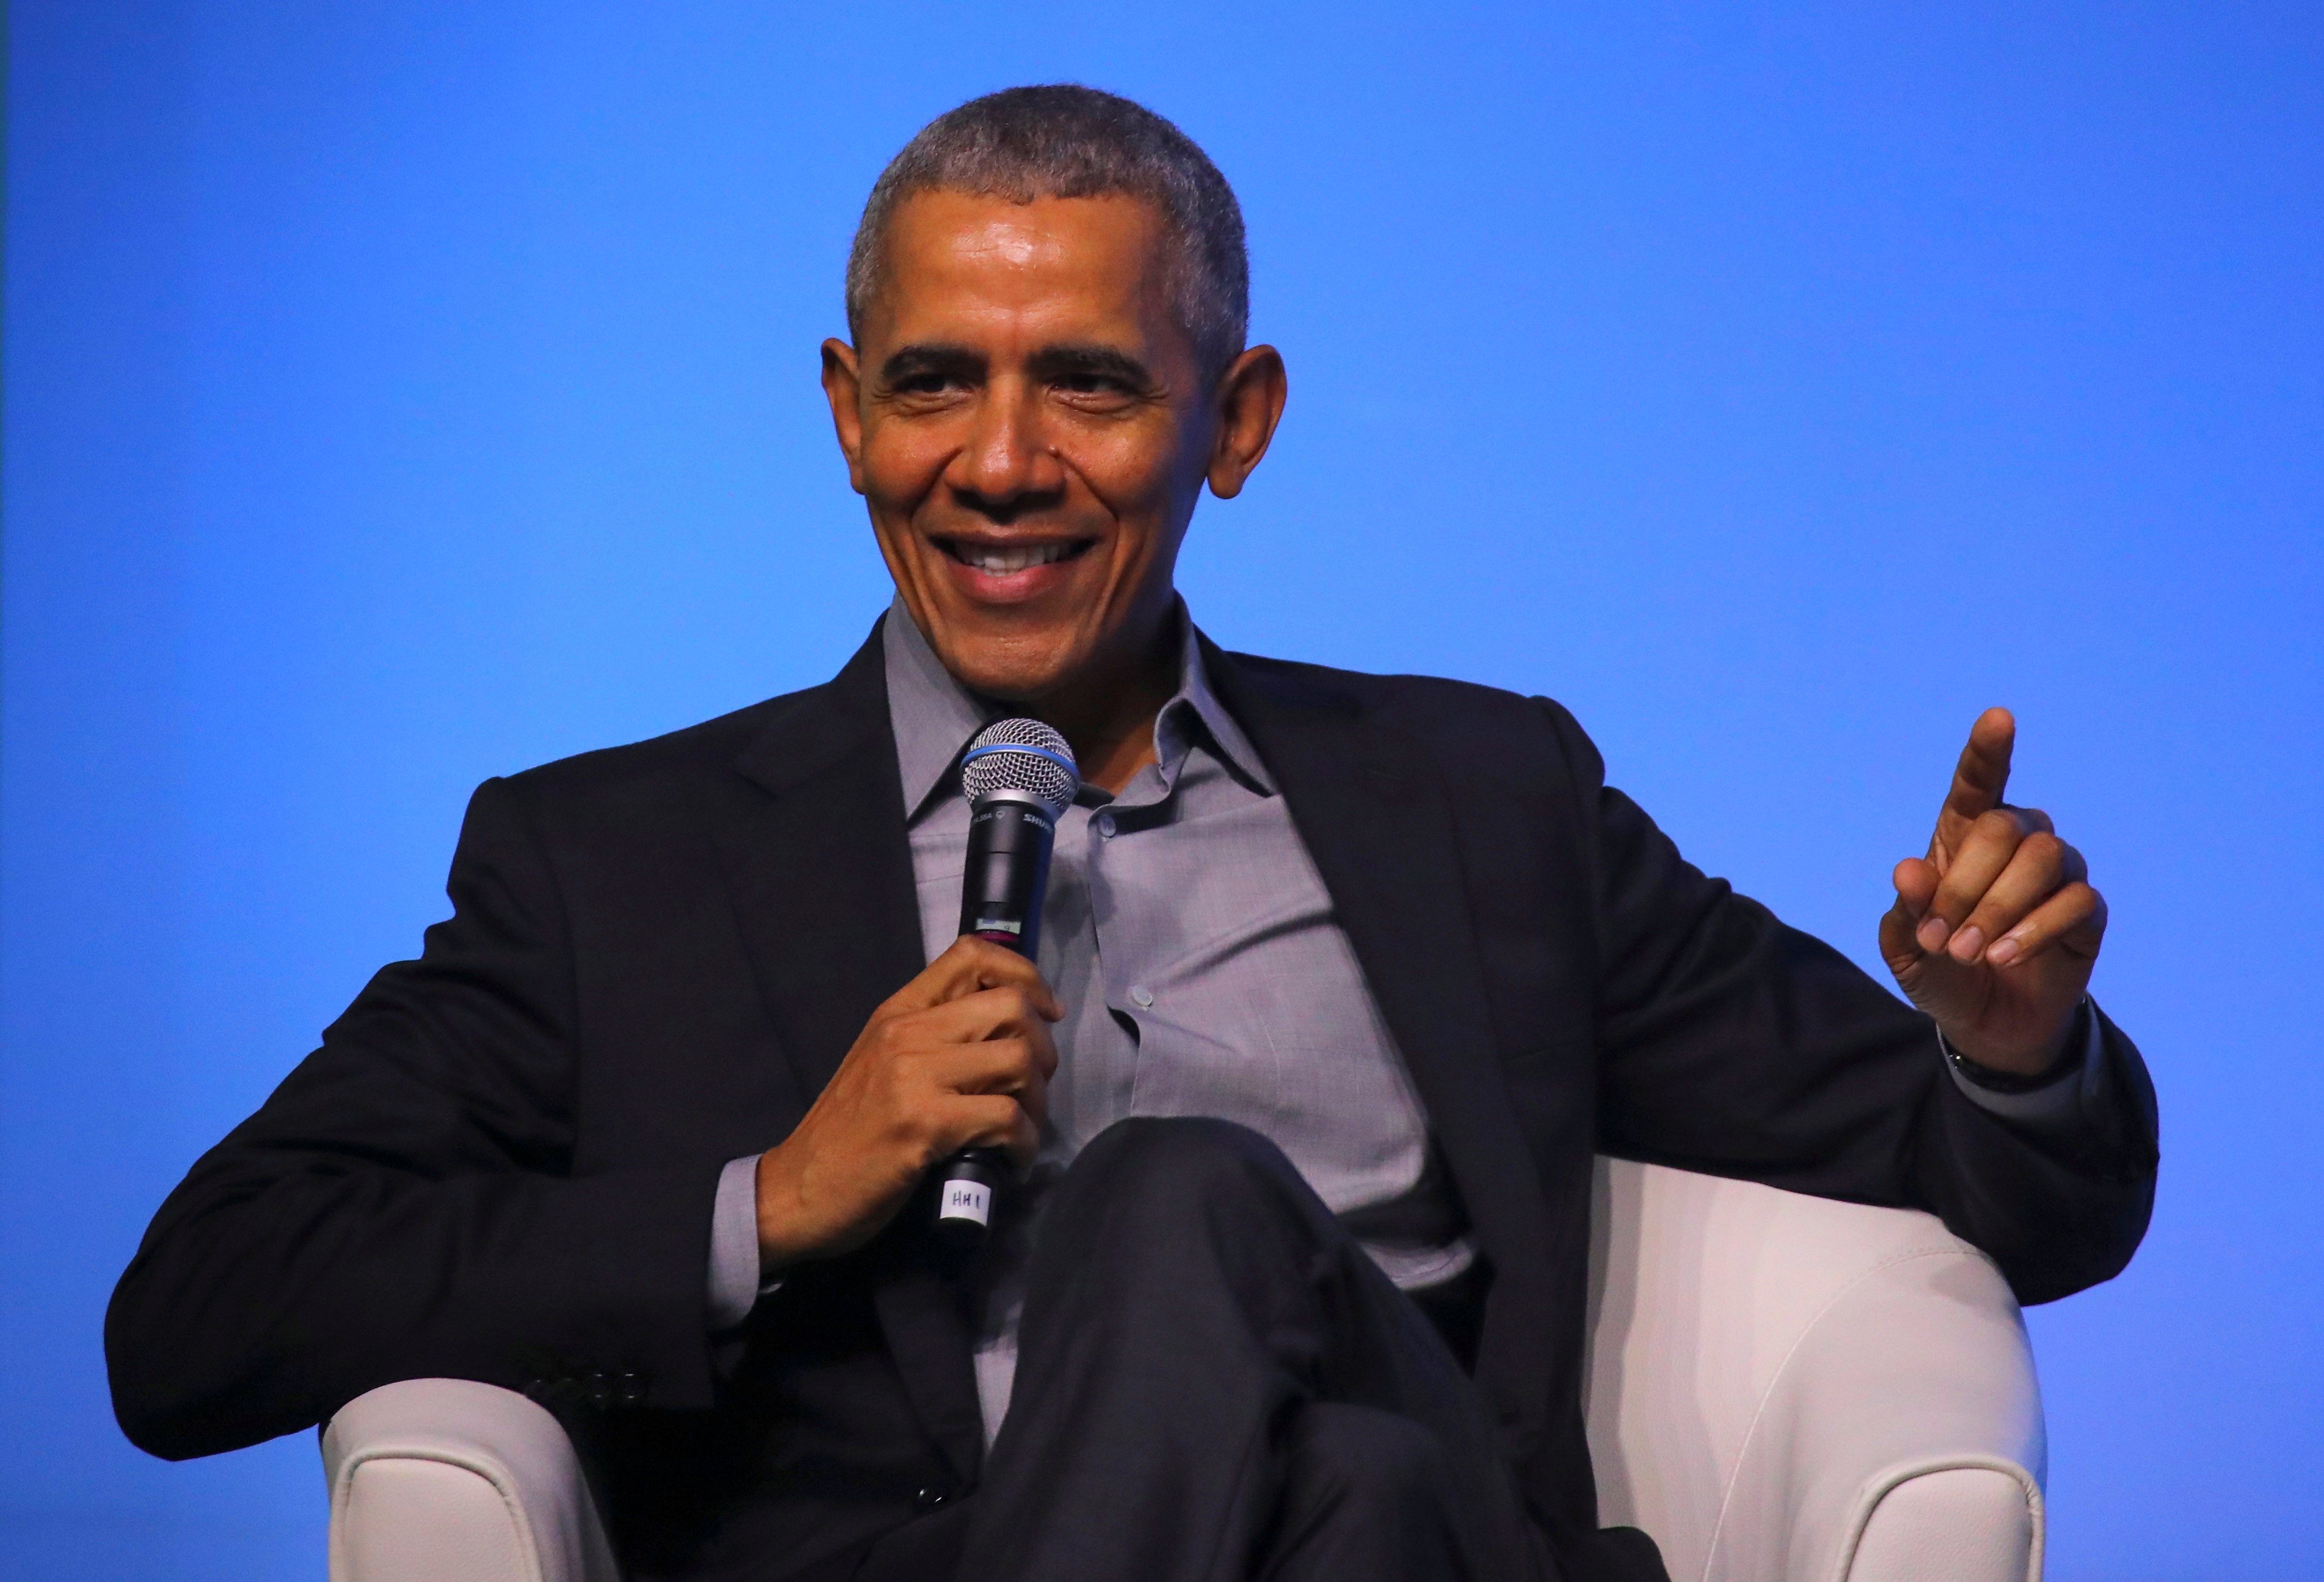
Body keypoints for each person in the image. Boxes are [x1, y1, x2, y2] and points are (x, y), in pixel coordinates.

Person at [106, 85, 2157, 1582]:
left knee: (1186, 1206)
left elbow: (1992, 1191)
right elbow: (197, 1312)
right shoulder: (607, 862)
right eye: (933, 387)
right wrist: (773, 1195)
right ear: (845, 413)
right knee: (1332, 1488)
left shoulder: (1479, 802)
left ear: (1234, 422)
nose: (998, 465)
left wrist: (2007, 1042)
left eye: (1086, 386)